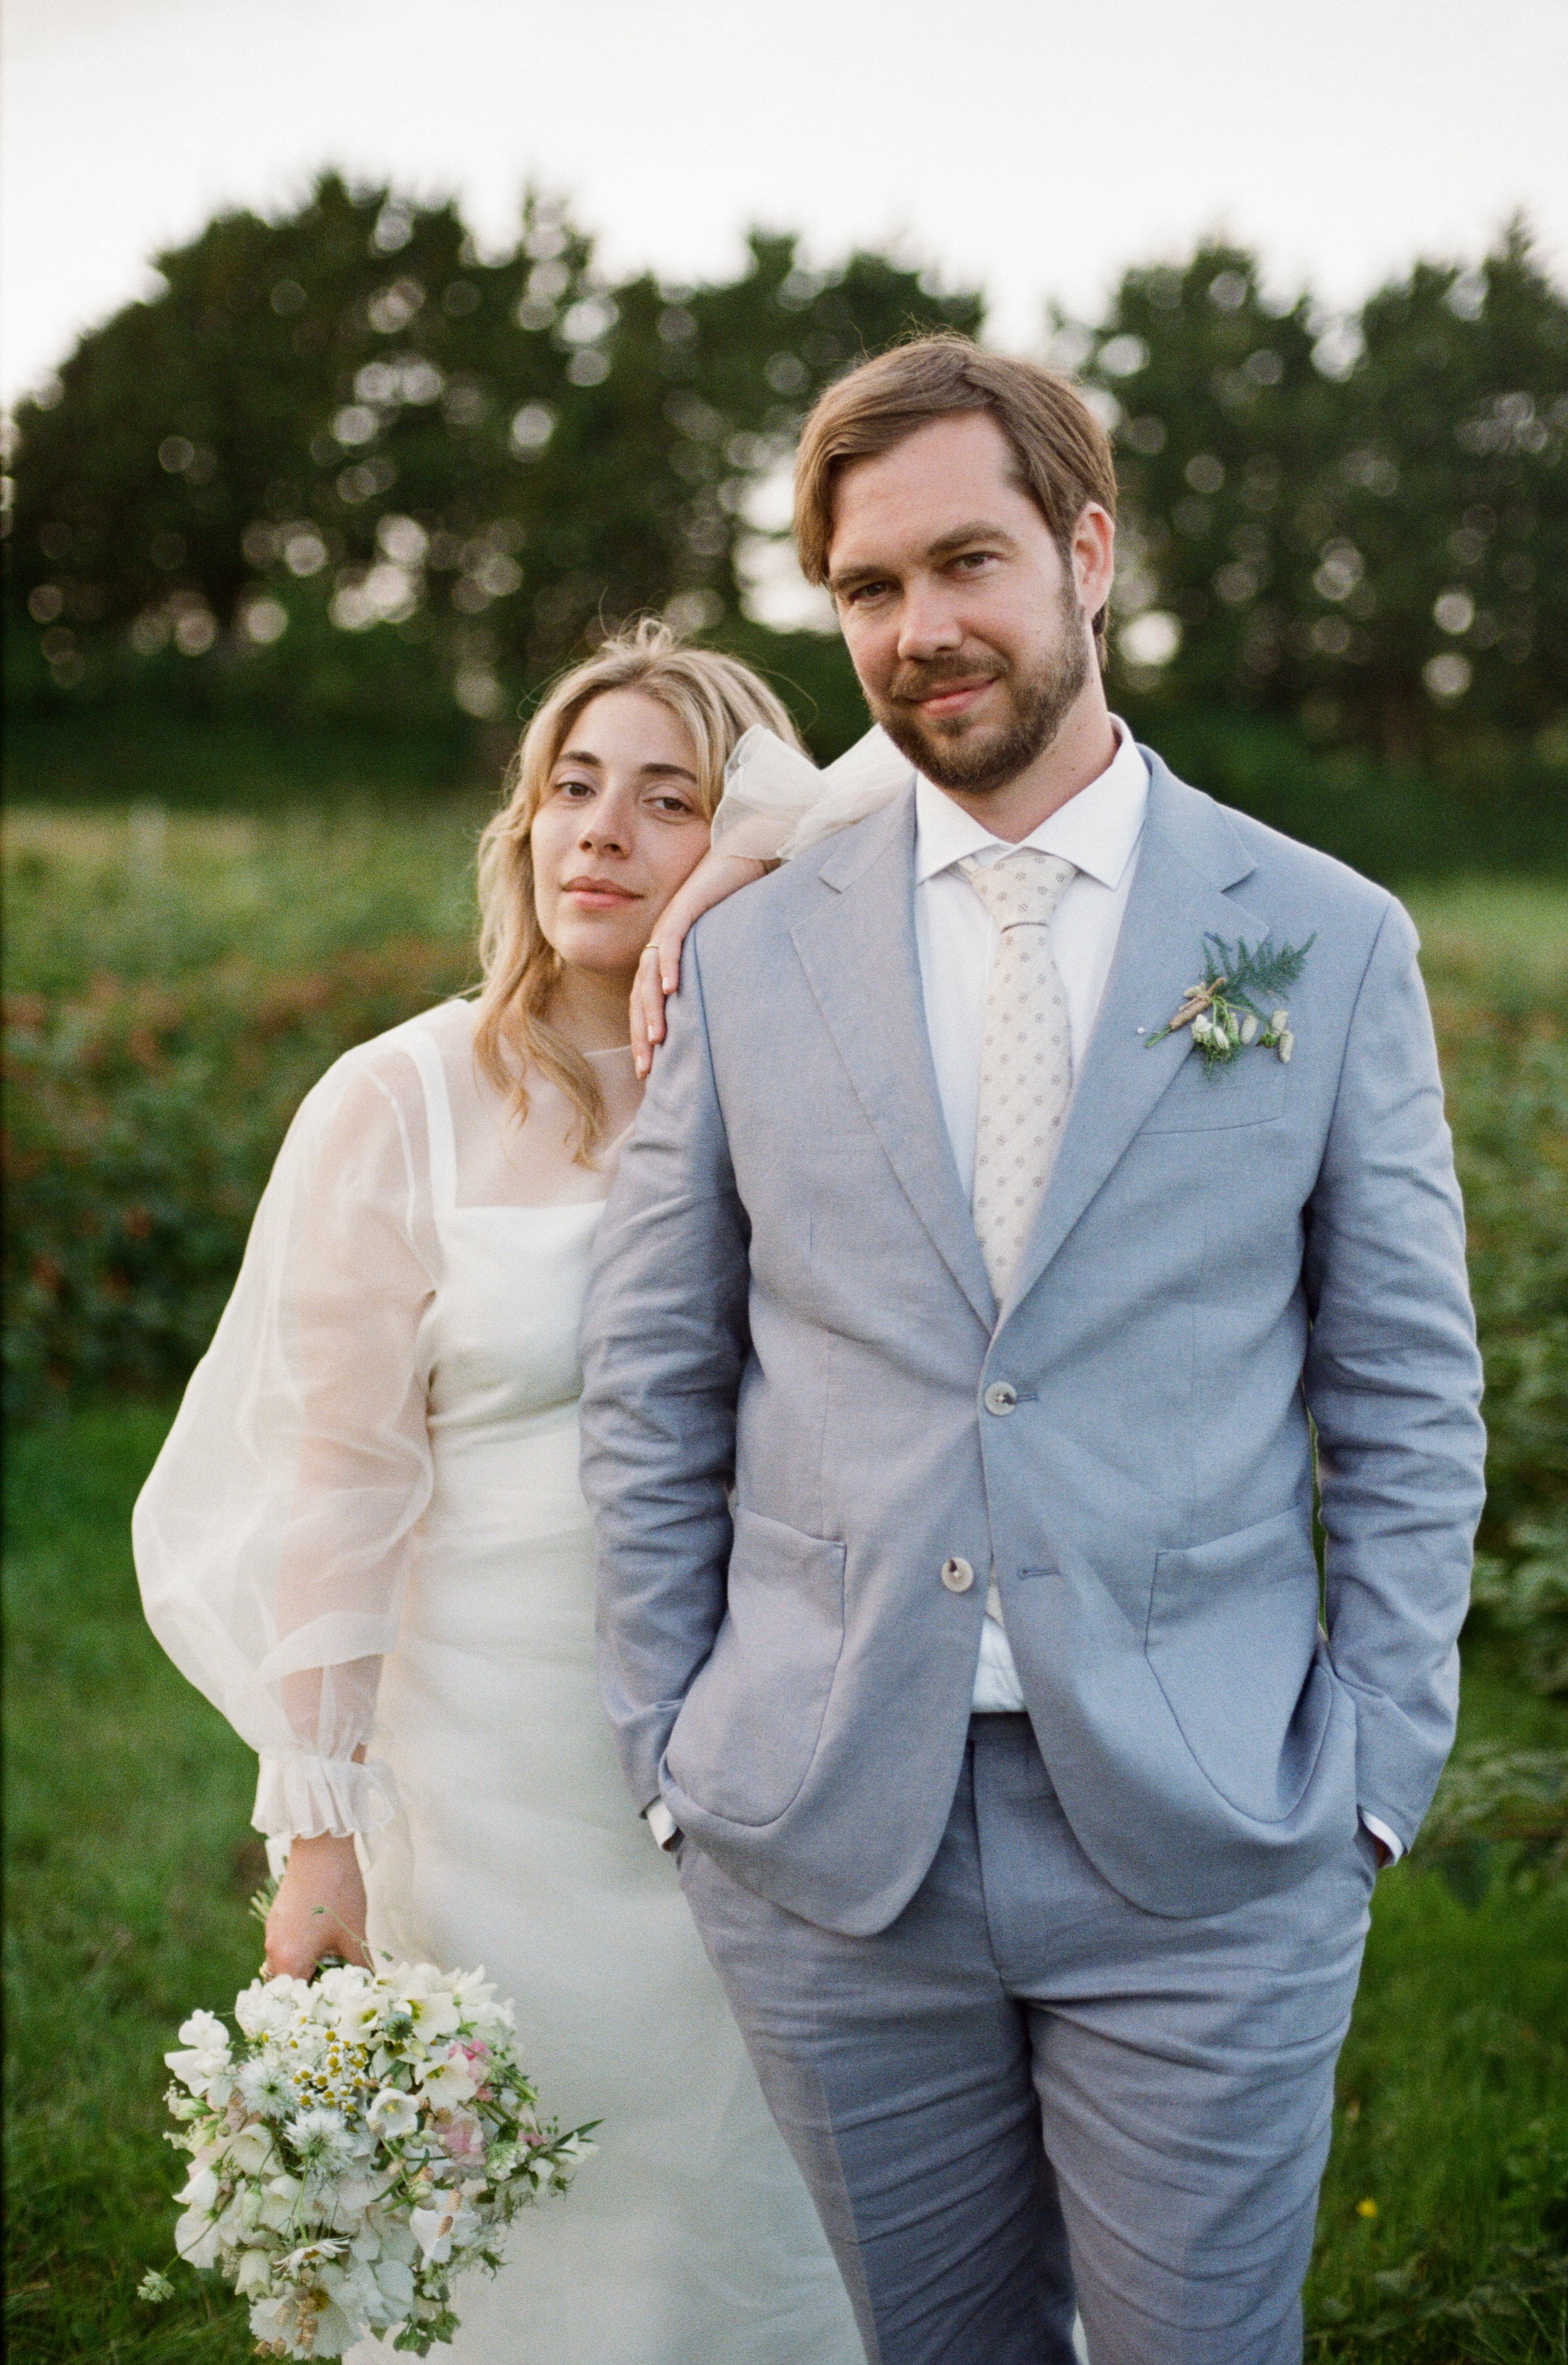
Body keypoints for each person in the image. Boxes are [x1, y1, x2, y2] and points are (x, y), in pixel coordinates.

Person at [581, 339, 1488, 2365]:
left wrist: (1369, 1775)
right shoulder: (744, 948)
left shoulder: (1320, 939)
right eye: (867, 589)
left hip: (1208, 1836)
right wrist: (673, 1755)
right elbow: (655, 1377)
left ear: (1089, 553)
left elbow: (1407, 1391)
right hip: (826, 1832)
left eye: (964, 563)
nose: (919, 631)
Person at [132, 622, 863, 2365]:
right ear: (521, 825)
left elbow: (908, 814)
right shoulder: (400, 1101)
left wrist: (754, 877)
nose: (597, 834)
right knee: (522, 2236)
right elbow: (338, 1481)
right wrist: (316, 1840)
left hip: (751, 1769)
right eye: (569, 788)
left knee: (741, 2230)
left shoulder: (801, 1090)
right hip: (490, 1782)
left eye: (667, 801)